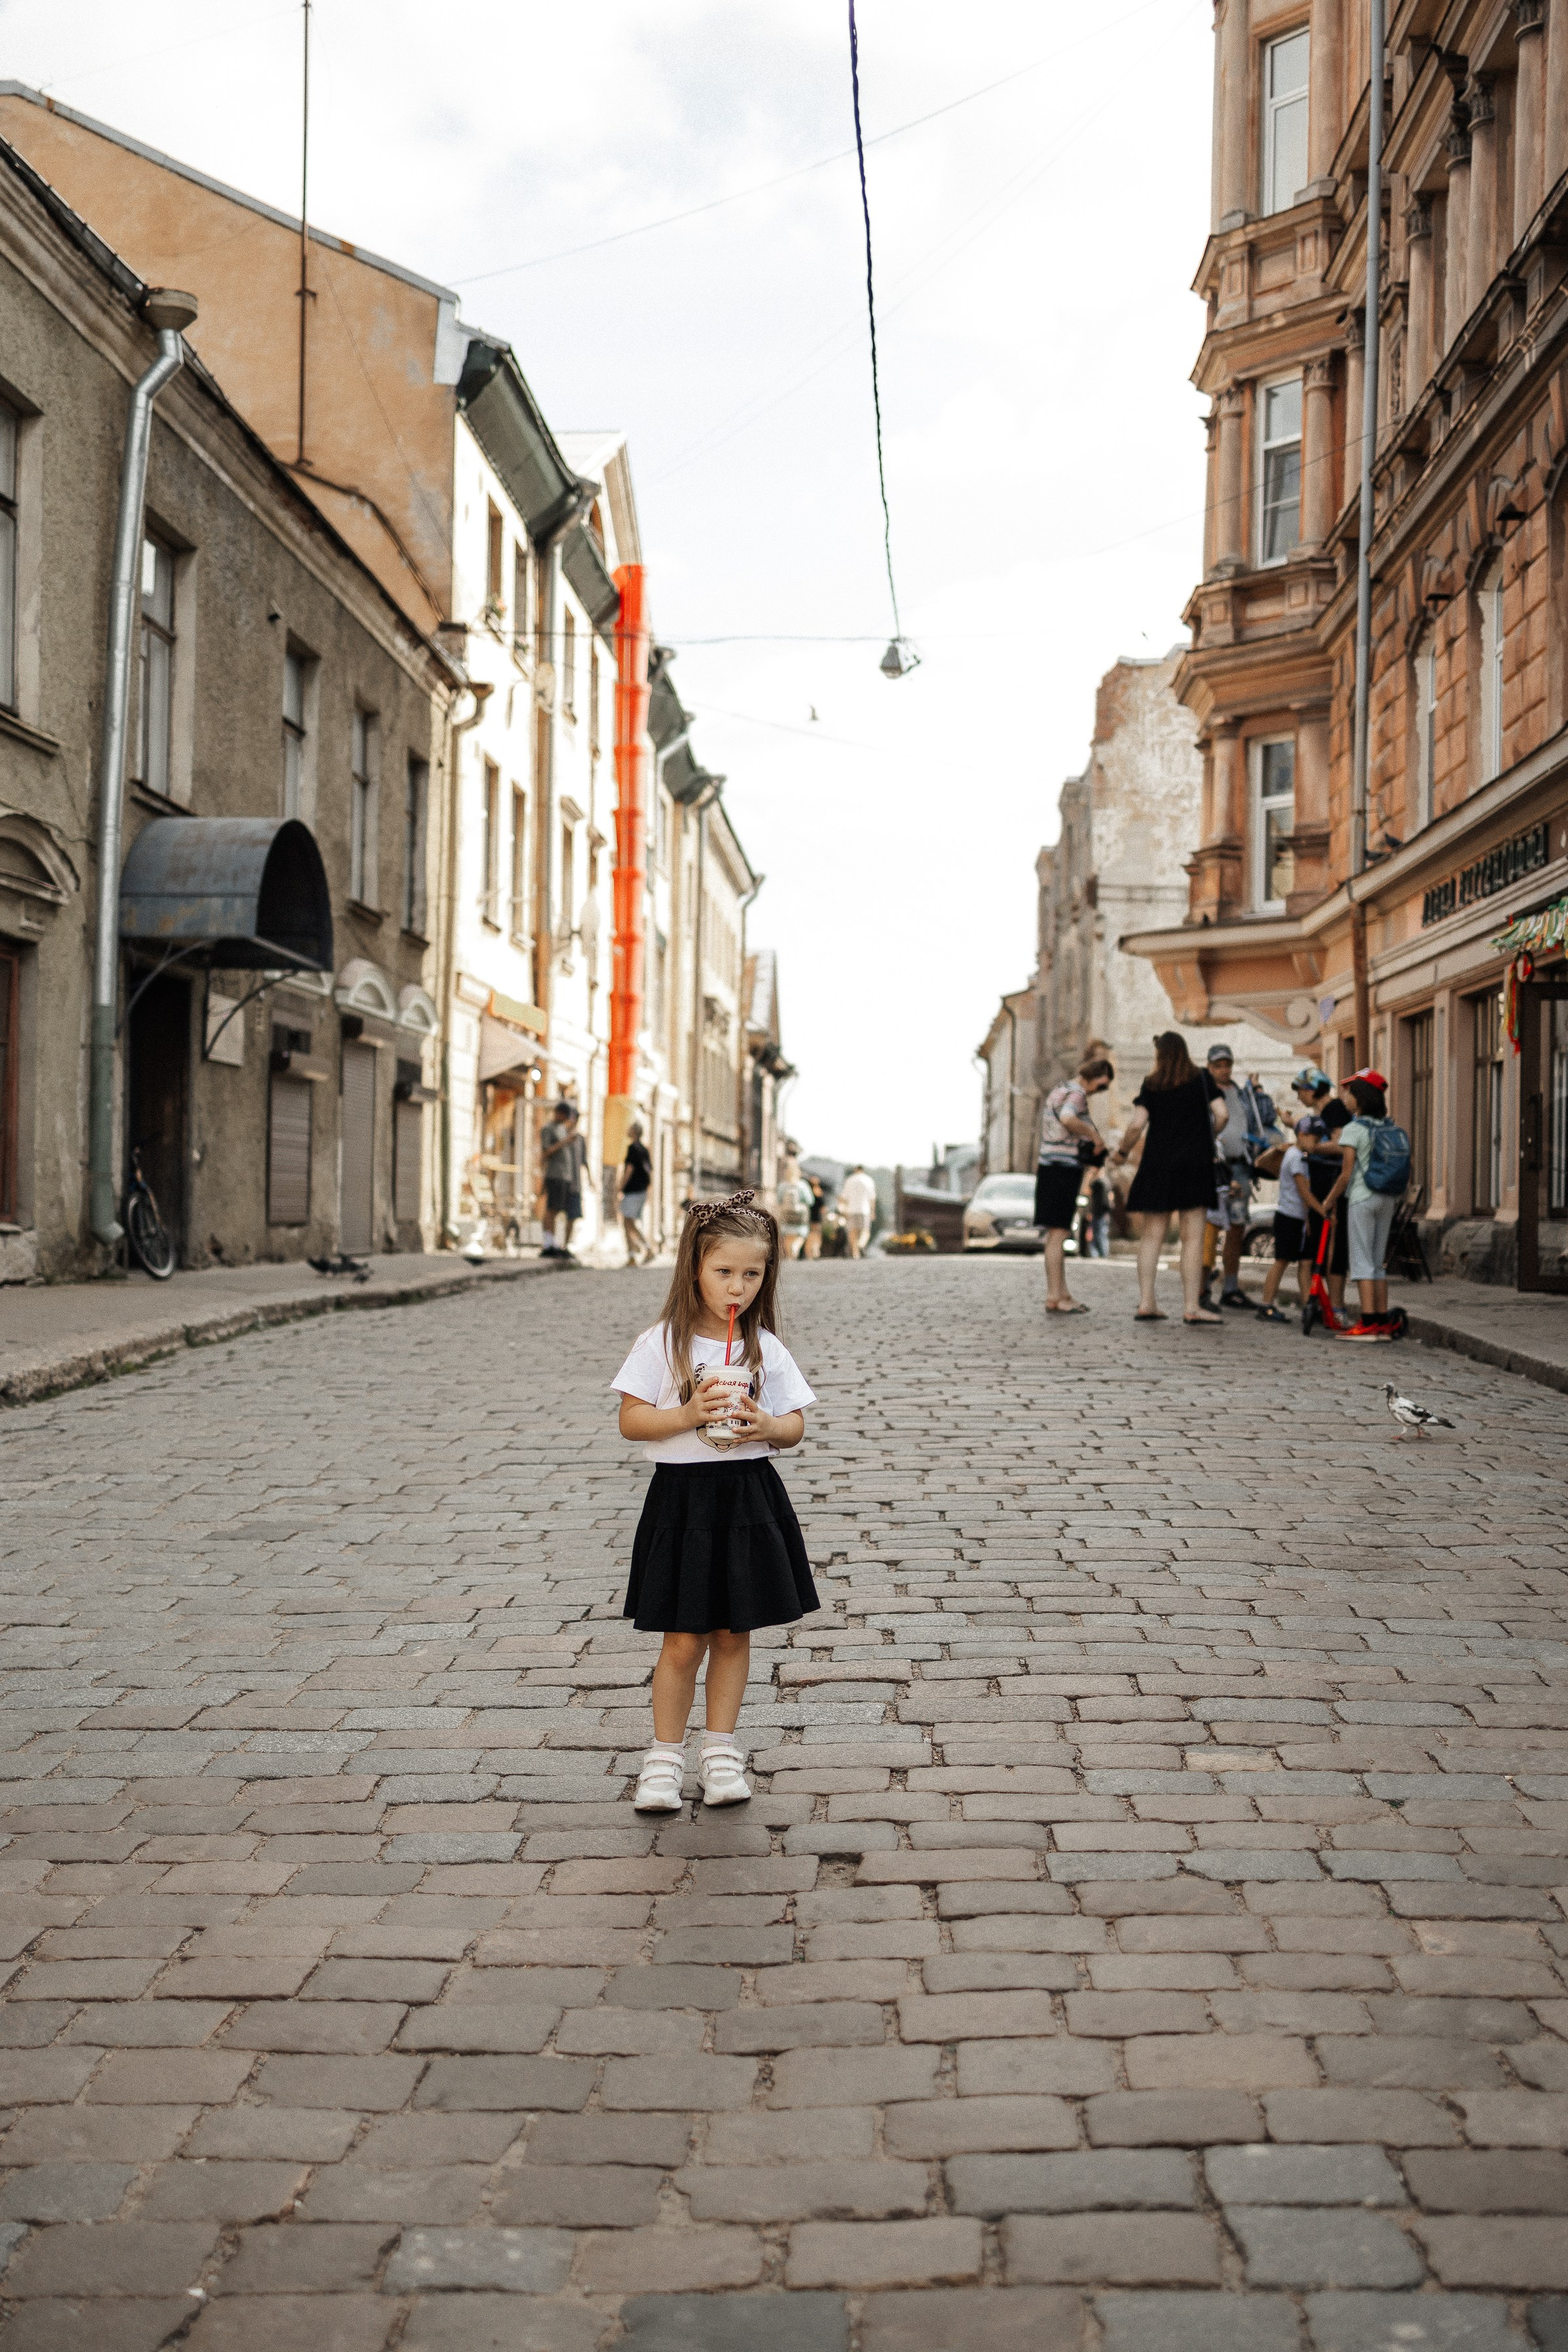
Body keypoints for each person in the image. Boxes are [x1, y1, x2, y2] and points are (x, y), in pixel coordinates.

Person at [611, 1190, 817, 1811]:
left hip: (747, 1498)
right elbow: (630, 1420)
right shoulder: (663, 1343)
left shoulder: (763, 1348)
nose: (738, 1288)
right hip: (684, 1501)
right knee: (682, 1638)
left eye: (752, 1274)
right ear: (694, 1270)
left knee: (733, 1633)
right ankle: (663, 1759)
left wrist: (766, 1425)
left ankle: (721, 1752)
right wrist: (686, 1414)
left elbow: (796, 1426)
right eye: (724, 1272)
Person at [1111, 1031, 1228, 1326]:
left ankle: (1147, 1302)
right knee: (1193, 1239)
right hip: (1195, 1165)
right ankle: (1191, 1307)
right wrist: (1206, 1136)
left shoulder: (1152, 1083)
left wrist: (1123, 1153)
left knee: (1152, 1236)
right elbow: (1222, 1114)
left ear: (1159, 1055)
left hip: (1158, 1164)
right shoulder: (1202, 1078)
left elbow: (1136, 1125)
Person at [1319, 1071, 1400, 1335]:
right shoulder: (1389, 1126)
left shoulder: (1354, 1129)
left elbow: (1346, 1174)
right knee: (1378, 1263)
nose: (1345, 1096)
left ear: (1360, 1099)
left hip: (1362, 1199)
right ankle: (1381, 1320)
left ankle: (1367, 1322)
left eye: (1349, 1092)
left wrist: (1328, 1202)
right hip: (1387, 1198)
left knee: (1363, 1262)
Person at [1035, 1056, 1115, 1314]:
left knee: (1054, 1235)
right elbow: (1069, 1119)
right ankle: (1054, 1296)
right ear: (1095, 1075)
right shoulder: (1077, 1094)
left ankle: (1060, 1294)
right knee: (1059, 1235)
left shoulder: (1059, 1089)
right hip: (1063, 1169)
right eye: (1102, 1086)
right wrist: (1093, 1136)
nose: (1099, 1092)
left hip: (1048, 1166)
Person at [1201, 1045, 1271, 1309]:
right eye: (1218, 1065)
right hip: (1214, 1168)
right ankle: (1203, 1288)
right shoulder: (1206, 1092)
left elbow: (1266, 1118)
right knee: (1210, 1227)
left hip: (1240, 1167)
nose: (1223, 1070)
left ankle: (1231, 1288)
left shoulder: (1244, 1095)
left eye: (1227, 1065)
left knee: (1238, 1226)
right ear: (1210, 1067)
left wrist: (1258, 1091)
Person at [1255, 1125, 1324, 1322]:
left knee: (1306, 1263)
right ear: (1302, 1135)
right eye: (1315, 1139)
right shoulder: (1295, 1157)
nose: (1317, 1144)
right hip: (1289, 1217)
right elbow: (1304, 1191)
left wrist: (1309, 1218)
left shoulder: (1299, 1155)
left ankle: (1308, 1306)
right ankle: (1266, 1305)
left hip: (1299, 1218)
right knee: (1282, 1261)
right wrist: (1322, 1211)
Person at [540, 1100, 586, 1256]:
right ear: (558, 1113)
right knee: (551, 1210)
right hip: (555, 1175)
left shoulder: (562, 1129)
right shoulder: (548, 1129)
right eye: (564, 1115)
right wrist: (565, 1142)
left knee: (558, 1210)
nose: (566, 1119)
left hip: (565, 1177)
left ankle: (555, 1244)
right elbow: (546, 1153)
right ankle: (548, 1245)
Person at [617, 1122, 655, 1267]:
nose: (627, 1130)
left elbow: (629, 1170)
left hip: (633, 1191)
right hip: (642, 1191)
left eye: (630, 1128)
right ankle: (640, 1251)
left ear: (634, 1132)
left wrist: (620, 1187)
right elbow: (649, 1171)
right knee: (630, 1222)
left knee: (627, 1222)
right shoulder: (645, 1150)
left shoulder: (633, 1148)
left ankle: (637, 1254)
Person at [776, 1158, 813, 1260]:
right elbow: (810, 1201)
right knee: (801, 1233)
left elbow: (778, 1200)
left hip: (786, 1213)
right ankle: (796, 1247)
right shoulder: (803, 1185)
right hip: (800, 1214)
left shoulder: (783, 1185)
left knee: (787, 1235)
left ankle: (790, 1257)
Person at [839, 1164, 877, 1259]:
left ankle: (855, 1253)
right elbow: (872, 1198)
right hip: (865, 1209)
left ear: (855, 1170)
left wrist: (843, 1210)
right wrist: (873, 1211)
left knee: (853, 1232)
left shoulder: (849, 1180)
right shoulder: (868, 1180)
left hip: (851, 1209)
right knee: (865, 1231)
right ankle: (861, 1245)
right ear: (863, 1170)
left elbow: (844, 1198)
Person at [804, 1174, 826, 1260]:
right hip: (816, 1216)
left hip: (809, 1216)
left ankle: (811, 1252)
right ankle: (814, 1252)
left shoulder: (807, 1191)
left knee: (812, 1234)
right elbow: (823, 1207)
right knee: (815, 1235)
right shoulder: (818, 1192)